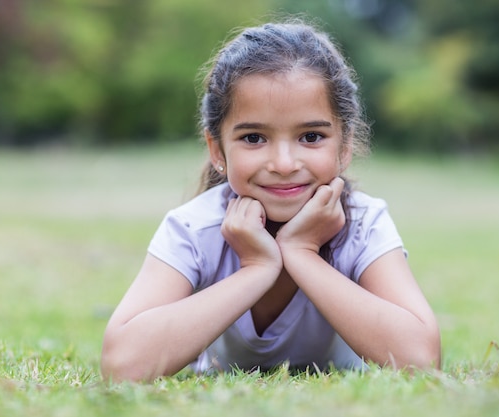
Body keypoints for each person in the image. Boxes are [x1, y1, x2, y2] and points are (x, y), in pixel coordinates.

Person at [101, 19, 441, 382]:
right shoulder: (194, 228)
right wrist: (256, 268)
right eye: (253, 138)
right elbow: (122, 365)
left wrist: (302, 252)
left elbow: (420, 359)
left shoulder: (364, 223)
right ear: (217, 149)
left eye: (311, 136)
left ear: (344, 148)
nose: (283, 164)